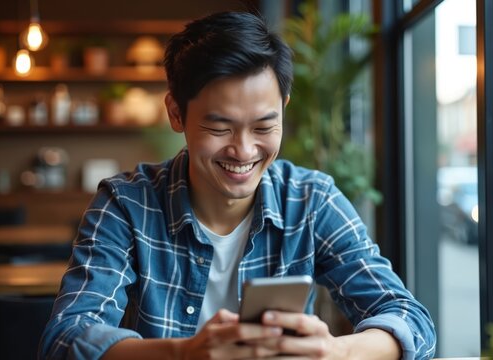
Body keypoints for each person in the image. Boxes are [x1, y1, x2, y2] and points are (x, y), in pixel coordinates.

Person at [39, 11, 436, 360]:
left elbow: (411, 320)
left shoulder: (311, 200)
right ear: (176, 113)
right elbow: (66, 337)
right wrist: (185, 354)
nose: (244, 151)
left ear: (284, 107)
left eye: (264, 126)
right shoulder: (126, 204)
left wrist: (335, 351)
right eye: (219, 127)